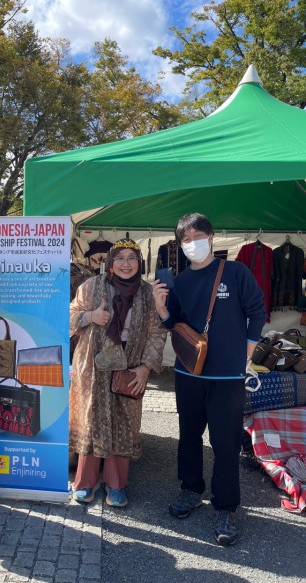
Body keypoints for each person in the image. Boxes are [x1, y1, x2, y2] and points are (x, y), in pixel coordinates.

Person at [152, 213, 266, 546]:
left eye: (197, 236)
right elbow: (174, 323)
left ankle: (226, 507)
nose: (192, 244)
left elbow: (257, 310)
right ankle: (190, 489)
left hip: (227, 375)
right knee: (188, 434)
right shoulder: (181, 281)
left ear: (211, 238)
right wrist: (161, 306)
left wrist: (246, 351)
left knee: (225, 442)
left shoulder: (235, 272)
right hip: (188, 372)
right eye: (185, 240)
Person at [70, 239, 166, 507]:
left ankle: (116, 484)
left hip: (130, 365)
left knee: (124, 420)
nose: (126, 263)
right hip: (93, 364)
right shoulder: (91, 286)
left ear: (139, 263)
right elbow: (69, 315)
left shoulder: (148, 294)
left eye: (132, 258)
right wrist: (90, 318)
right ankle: (86, 481)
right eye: (120, 258)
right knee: (92, 417)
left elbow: (158, 332)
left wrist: (146, 367)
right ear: (110, 263)